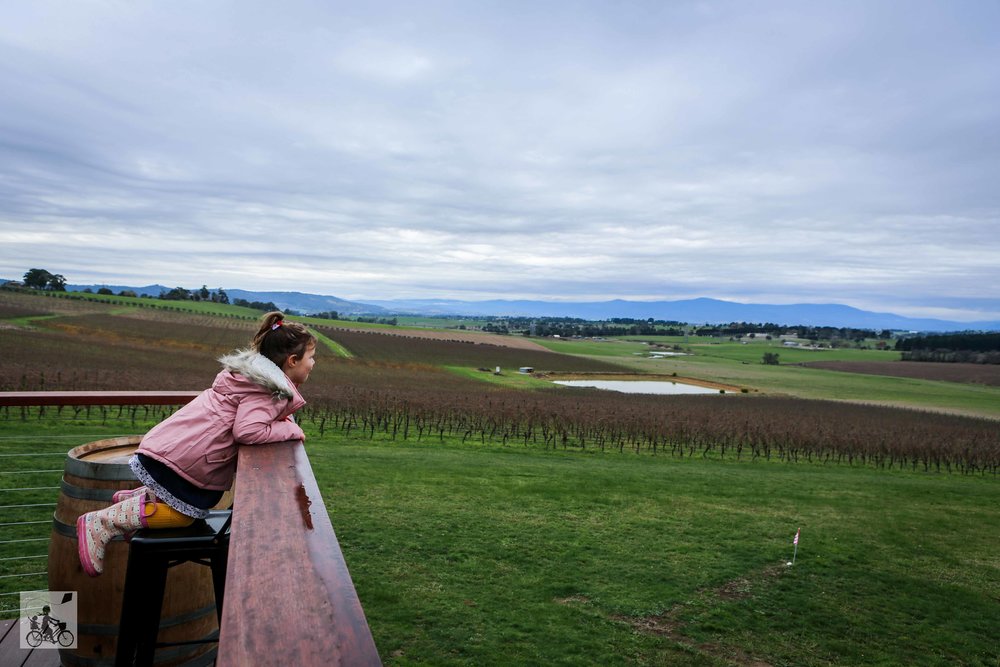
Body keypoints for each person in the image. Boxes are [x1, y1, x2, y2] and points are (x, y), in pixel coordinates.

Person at [77, 312, 317, 576]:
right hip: (187, 459)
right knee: (183, 516)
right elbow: (248, 431)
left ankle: (139, 501)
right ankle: (102, 522)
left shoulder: (251, 380)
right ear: (292, 361)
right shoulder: (267, 391)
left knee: (182, 507)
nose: (313, 363)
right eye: (311, 357)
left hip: (180, 449)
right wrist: (289, 429)